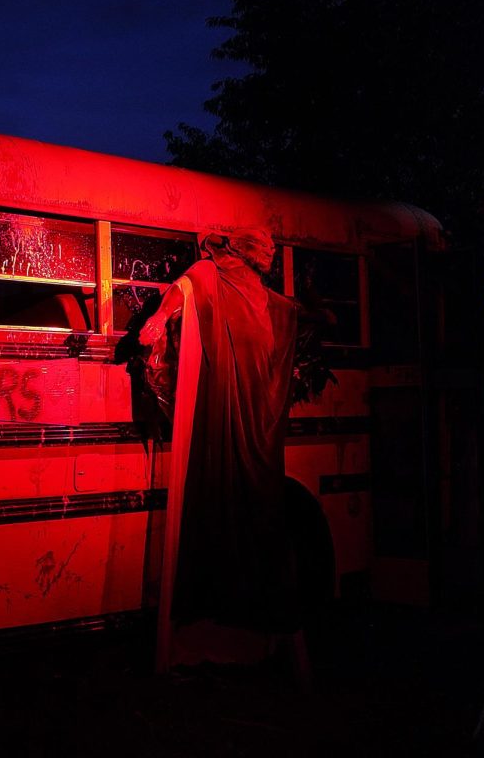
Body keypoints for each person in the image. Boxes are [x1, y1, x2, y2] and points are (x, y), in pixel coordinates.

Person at [139, 226, 311, 687]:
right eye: (264, 250)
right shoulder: (214, 275)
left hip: (255, 402)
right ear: (245, 251)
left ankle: (259, 638)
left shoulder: (264, 297)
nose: (269, 258)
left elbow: (282, 318)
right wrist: (158, 318)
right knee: (224, 496)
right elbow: (184, 288)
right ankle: (212, 635)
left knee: (256, 503)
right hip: (224, 395)